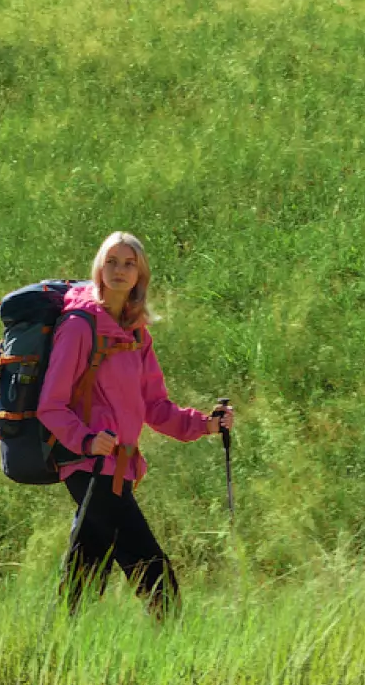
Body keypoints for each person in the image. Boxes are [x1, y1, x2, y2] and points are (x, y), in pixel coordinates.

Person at [34, 232, 235, 615]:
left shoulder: (136, 334)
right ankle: (176, 646)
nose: (119, 270)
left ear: (141, 273)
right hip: (89, 464)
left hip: (119, 467)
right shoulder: (79, 326)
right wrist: (87, 440)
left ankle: (56, 649)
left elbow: (156, 407)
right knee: (154, 573)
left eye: (129, 263)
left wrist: (207, 426)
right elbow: (51, 405)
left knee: (85, 573)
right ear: (99, 267)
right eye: (111, 261)